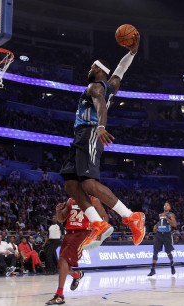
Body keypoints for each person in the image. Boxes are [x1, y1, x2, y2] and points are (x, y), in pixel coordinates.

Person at [59, 32, 145, 250]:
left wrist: (100, 127)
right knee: (71, 183)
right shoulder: (111, 85)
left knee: (88, 183)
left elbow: (99, 104)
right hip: (81, 136)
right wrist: (132, 53)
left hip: (89, 133)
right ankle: (97, 222)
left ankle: (131, 217)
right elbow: (120, 71)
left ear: (97, 70)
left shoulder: (95, 87)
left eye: (91, 67)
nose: (88, 70)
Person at [46, 196, 108, 305]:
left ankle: (59, 295)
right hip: (68, 234)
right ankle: (76, 275)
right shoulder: (70, 200)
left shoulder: (94, 200)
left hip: (82, 234)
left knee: (64, 260)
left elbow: (104, 217)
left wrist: (100, 234)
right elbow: (61, 219)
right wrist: (58, 210)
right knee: (61, 266)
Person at [148, 201, 177, 279]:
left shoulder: (171, 214)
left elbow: (174, 224)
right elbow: (161, 222)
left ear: (170, 208)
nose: (166, 206)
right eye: (165, 205)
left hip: (167, 235)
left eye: (167, 205)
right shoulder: (160, 214)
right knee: (155, 252)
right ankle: (153, 269)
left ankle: (172, 265)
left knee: (168, 252)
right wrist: (156, 225)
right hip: (159, 235)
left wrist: (167, 218)